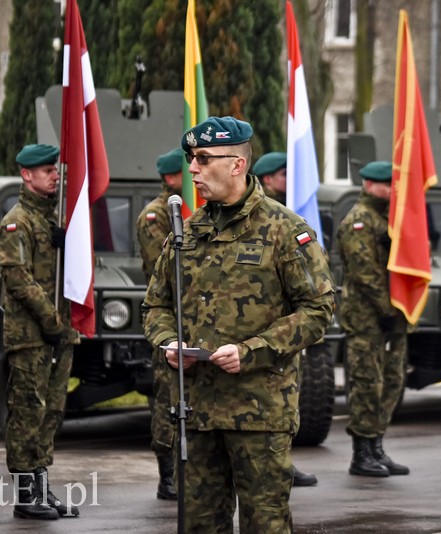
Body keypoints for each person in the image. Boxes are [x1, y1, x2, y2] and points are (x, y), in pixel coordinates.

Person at [142, 116, 334, 533]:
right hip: (196, 413)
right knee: (198, 525)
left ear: (236, 165)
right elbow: (155, 305)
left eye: (202, 158)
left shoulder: (284, 230)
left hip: (258, 414)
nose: (192, 168)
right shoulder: (186, 234)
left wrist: (252, 351)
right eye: (191, 158)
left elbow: (318, 310)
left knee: (265, 525)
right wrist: (169, 342)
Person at [0, 144, 80, 520]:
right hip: (31, 334)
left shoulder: (52, 220)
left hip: (57, 333)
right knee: (28, 411)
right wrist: (51, 322)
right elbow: (19, 279)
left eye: (55, 169)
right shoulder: (17, 221)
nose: (54, 175)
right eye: (46, 170)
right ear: (26, 174)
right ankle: (25, 494)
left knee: (52, 412)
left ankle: (42, 485)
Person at [252, 150, 319, 488]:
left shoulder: (289, 218)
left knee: (284, 400)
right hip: (259, 332)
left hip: (289, 325)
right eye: (284, 176)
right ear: (267, 179)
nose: (291, 183)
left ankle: (283, 461)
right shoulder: (263, 219)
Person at [338, 160, 409, 478]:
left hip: (389, 315)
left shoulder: (390, 218)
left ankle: (377, 444)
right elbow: (363, 272)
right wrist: (387, 309)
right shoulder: (360, 220)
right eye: (385, 184)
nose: (392, 189)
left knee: (392, 381)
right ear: (368, 185)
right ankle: (362, 452)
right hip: (367, 316)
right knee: (367, 383)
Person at [135, 147, 184, 501]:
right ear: (170, 178)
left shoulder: (192, 212)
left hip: (195, 318)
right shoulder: (156, 217)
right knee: (168, 398)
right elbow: (163, 271)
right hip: (169, 316)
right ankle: (167, 475)